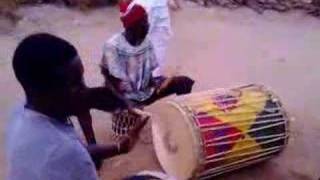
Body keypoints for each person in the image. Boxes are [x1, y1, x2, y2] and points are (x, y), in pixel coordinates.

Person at [6, 33, 148, 180]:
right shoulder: (67, 153)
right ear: (45, 92)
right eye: (75, 83)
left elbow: (71, 155)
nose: (84, 89)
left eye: (81, 79)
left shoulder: (20, 114)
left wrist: (119, 148)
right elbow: (69, 156)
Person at [101, 3, 194, 107]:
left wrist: (161, 83)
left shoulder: (147, 43)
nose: (148, 25)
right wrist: (128, 104)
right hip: (125, 99)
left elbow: (149, 76)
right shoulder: (113, 46)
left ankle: (180, 115)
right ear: (134, 26)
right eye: (144, 22)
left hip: (145, 93)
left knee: (185, 82)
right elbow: (110, 83)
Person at [119, 0, 180, 77]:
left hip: (147, 7)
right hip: (158, 7)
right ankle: (154, 76)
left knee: (137, 43)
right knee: (159, 45)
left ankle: (141, 77)